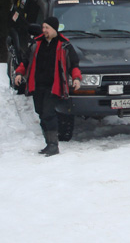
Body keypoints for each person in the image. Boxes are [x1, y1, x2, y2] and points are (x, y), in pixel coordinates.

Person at [13, 17, 82, 156]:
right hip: (37, 85)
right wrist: (19, 73)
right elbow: (25, 61)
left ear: (54, 29)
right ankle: (48, 143)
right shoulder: (36, 43)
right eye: (43, 27)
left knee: (48, 113)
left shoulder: (64, 45)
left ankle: (53, 145)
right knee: (40, 112)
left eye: (47, 28)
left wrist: (76, 78)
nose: (44, 30)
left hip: (54, 86)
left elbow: (74, 64)